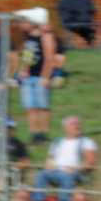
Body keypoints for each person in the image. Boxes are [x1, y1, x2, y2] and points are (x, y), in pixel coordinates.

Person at [31, 116, 96, 201]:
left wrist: (76, 168)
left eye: (78, 124)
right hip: (56, 170)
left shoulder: (86, 142)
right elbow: (50, 159)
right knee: (41, 174)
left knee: (67, 177)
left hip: (75, 172)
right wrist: (48, 165)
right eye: (73, 124)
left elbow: (90, 162)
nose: (77, 126)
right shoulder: (57, 142)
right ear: (65, 128)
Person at [18, 8, 62, 143]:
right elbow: (27, 56)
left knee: (43, 107)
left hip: (40, 77)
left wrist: (45, 76)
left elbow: (49, 58)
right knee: (30, 107)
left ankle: (44, 133)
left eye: (24, 22)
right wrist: (23, 69)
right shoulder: (28, 38)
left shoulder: (45, 36)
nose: (21, 25)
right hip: (28, 78)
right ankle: (34, 134)